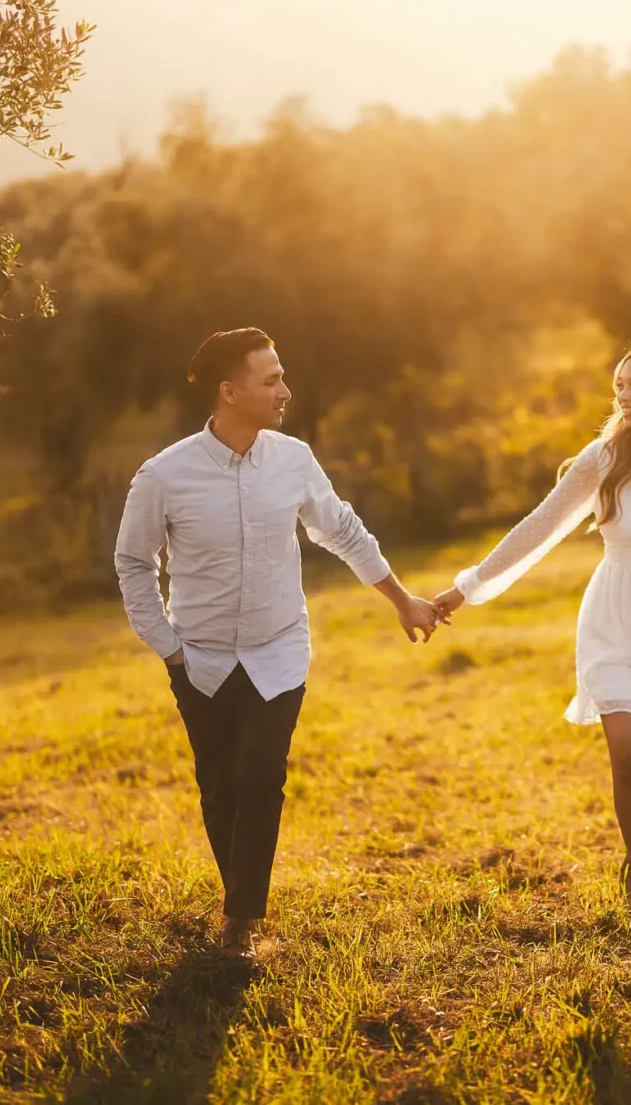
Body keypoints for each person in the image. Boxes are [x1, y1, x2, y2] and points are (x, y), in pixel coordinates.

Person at [115, 328, 444, 957]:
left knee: (262, 777)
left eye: (282, 377)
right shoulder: (164, 475)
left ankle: (240, 921)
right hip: (200, 657)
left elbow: (342, 530)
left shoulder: (293, 459)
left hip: (279, 650)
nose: (285, 392)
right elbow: (134, 562)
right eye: (271, 381)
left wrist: (403, 599)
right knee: (218, 783)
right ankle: (239, 899)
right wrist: (168, 646)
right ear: (229, 392)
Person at [433, 341, 631, 933]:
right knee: (630, 753)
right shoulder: (604, 459)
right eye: (619, 384)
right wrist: (470, 586)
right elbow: (541, 526)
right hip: (613, 620)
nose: (622, 395)